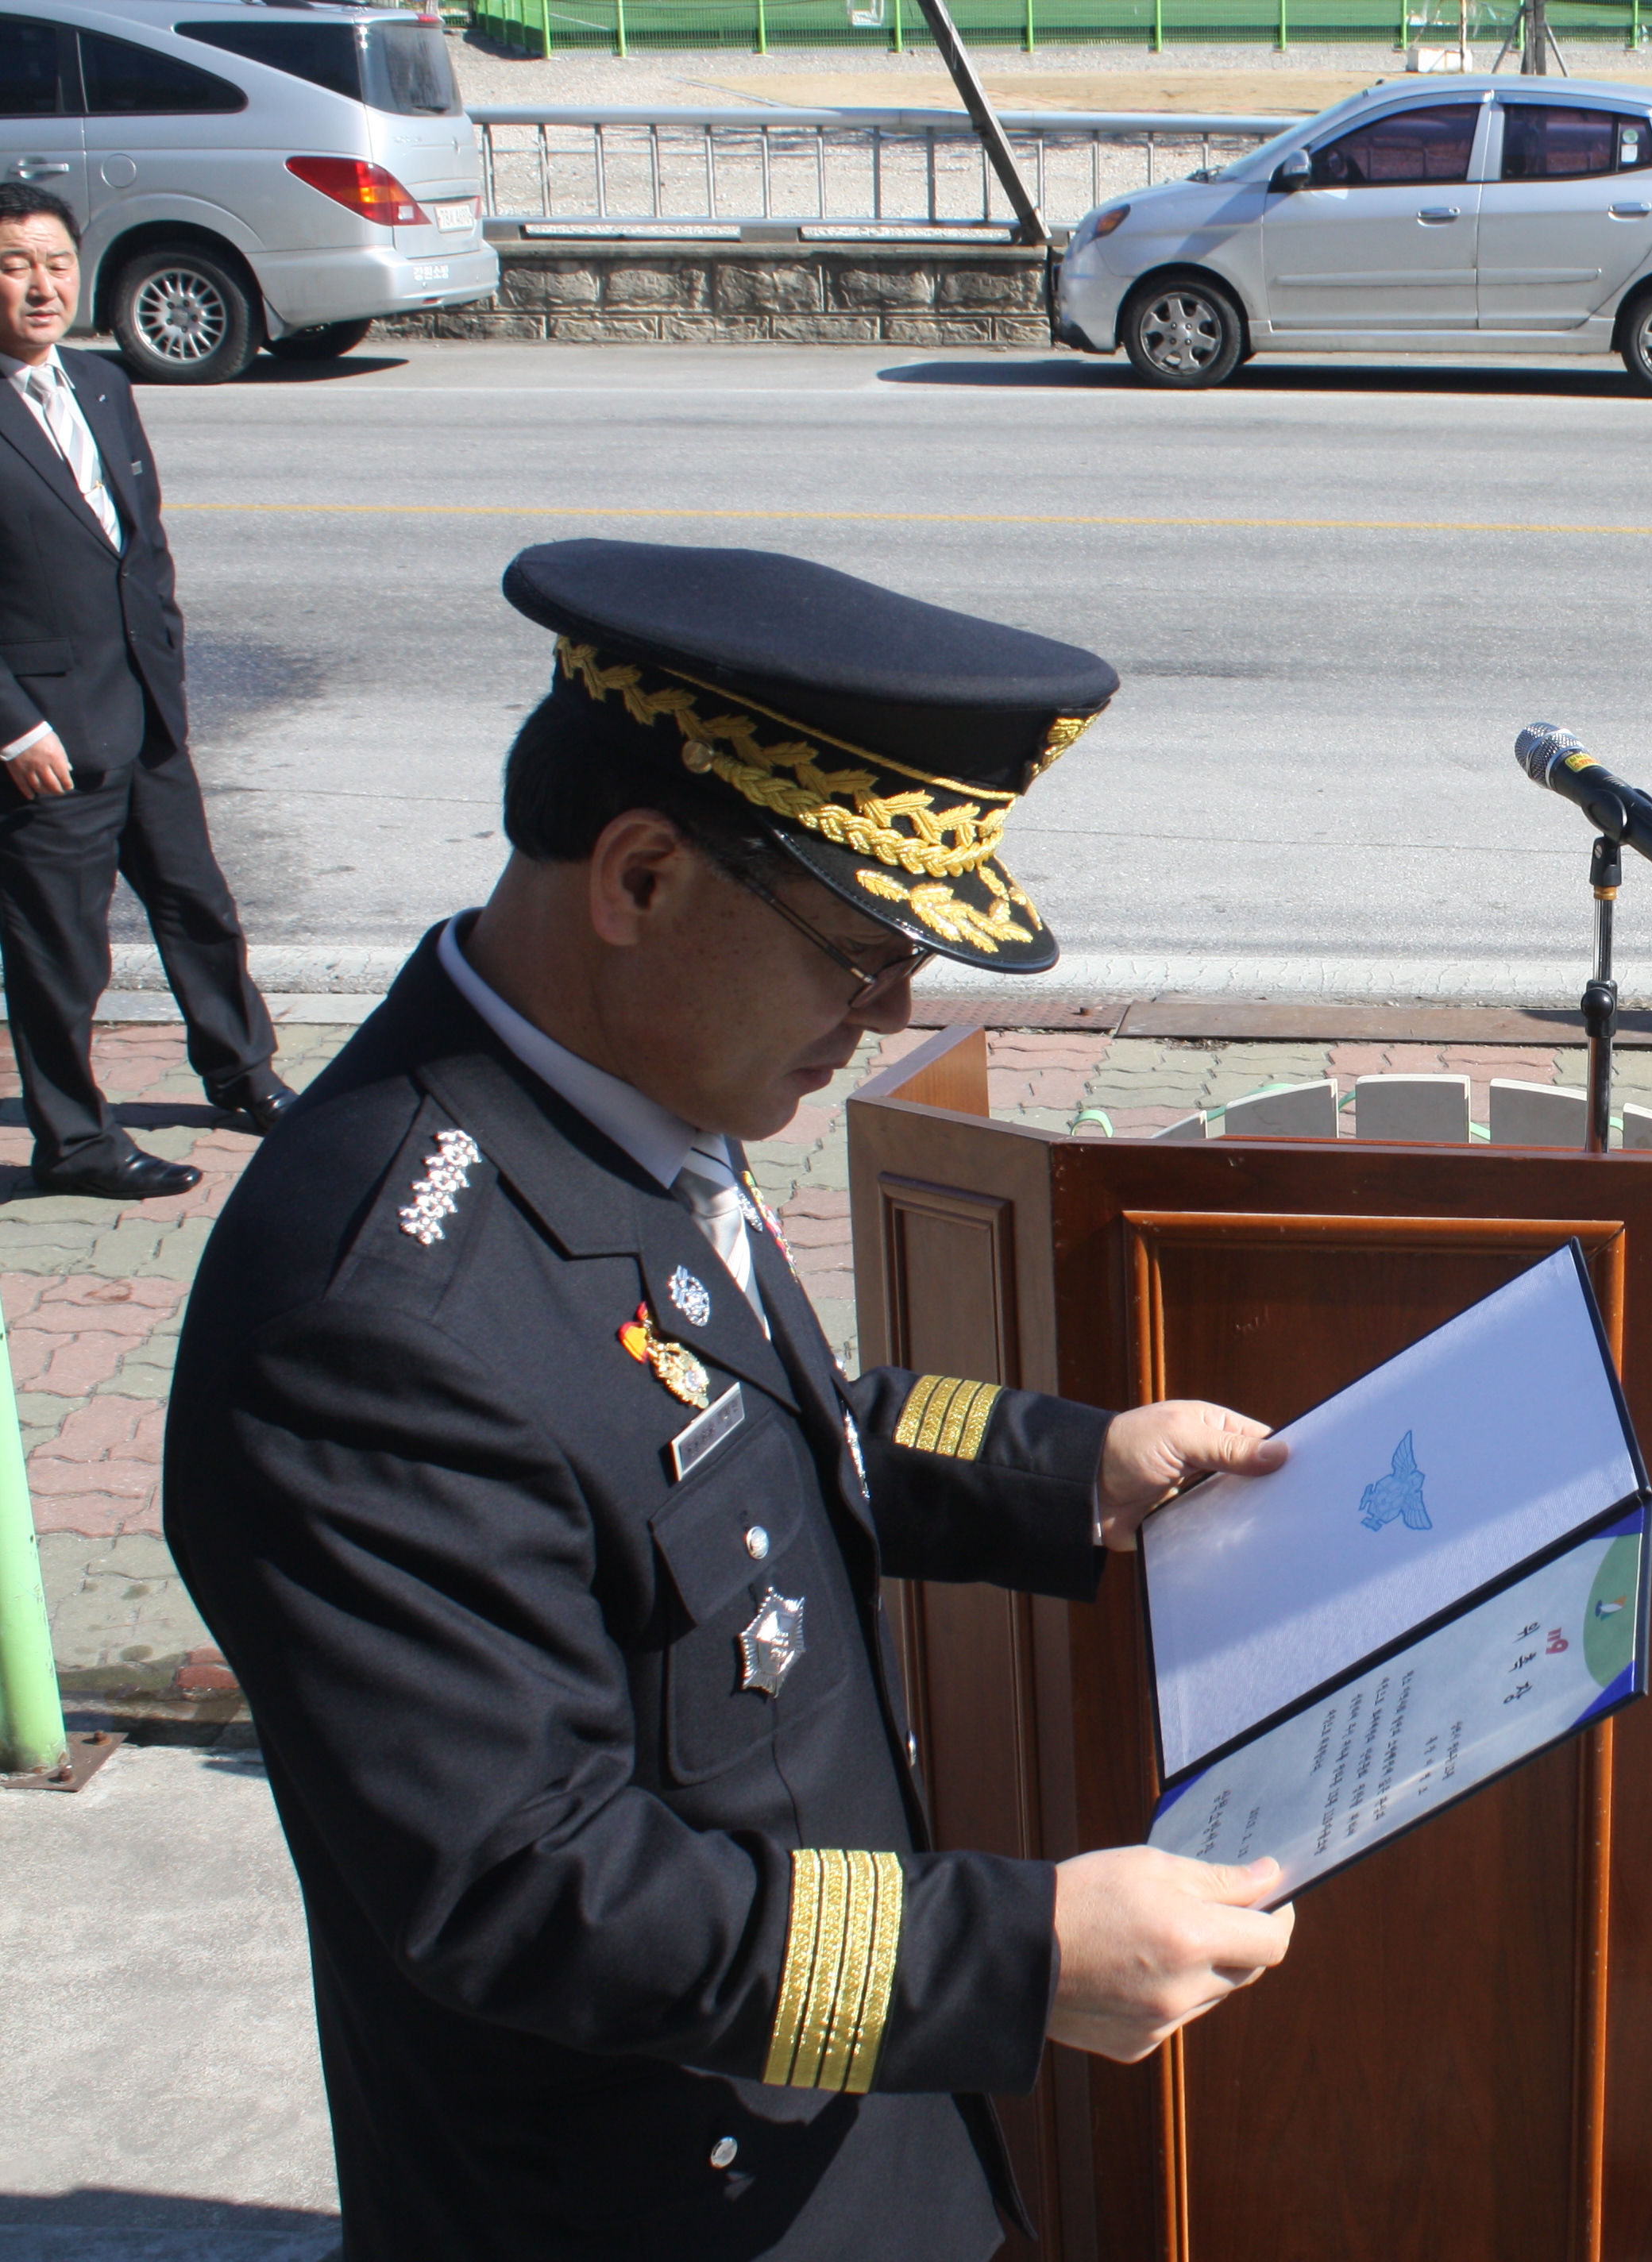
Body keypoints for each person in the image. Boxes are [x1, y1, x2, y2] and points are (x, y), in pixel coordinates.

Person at [164, 541, 1301, 2260]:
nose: (890, 1010)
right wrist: (1013, 1955)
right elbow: (524, 1884)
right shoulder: (371, 1323)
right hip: (643, 2193)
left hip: (841, 2125)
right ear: (639, 877)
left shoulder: (619, 1090)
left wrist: (1066, 1466)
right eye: (858, 951)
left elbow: (753, 1419)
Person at [0, 183, 291, 1199]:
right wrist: (13, 728)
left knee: (197, 904)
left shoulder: (100, 381)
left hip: (143, 711)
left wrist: (163, 663)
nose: (42, 287)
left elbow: (141, 540)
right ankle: (75, 1142)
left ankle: (244, 1075)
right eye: (15, 266)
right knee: (60, 953)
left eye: (57, 264)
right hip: (46, 738)